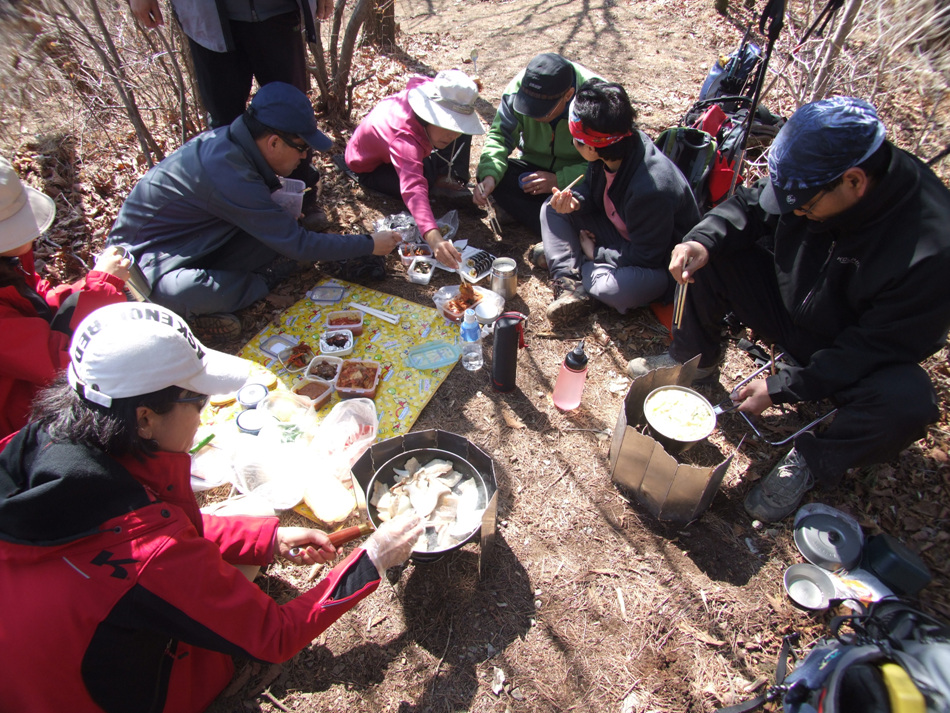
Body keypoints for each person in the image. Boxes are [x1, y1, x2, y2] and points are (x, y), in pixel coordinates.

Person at [0, 301, 423, 713]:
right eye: (197, 401)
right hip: (100, 693)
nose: (203, 417)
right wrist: (372, 559)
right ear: (144, 419)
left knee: (255, 516)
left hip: (42, 650)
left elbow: (150, 521)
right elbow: (275, 635)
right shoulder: (151, 558)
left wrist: (268, 538)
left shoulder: (43, 442)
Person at [626, 96, 950, 522]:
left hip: (850, 349)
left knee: (908, 403)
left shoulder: (931, 247)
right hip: (787, 307)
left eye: (804, 207)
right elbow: (748, 206)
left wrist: (783, 387)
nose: (796, 212)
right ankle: (695, 361)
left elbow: (875, 346)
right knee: (713, 251)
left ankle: (814, 461)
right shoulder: (811, 177)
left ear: (854, 181)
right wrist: (700, 239)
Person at [107, 82, 401, 338]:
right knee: (185, 293)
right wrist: (369, 244)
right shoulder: (227, 171)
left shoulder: (237, 143)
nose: (304, 157)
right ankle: (261, 281)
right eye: (302, 148)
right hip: (148, 269)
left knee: (279, 238)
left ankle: (246, 280)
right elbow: (297, 243)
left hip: (203, 238)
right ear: (273, 142)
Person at [129, 0, 334, 230]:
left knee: (292, 115)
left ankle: (300, 201)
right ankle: (242, 212)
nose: (306, 151)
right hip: (208, 20)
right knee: (224, 123)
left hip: (277, 10)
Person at [539, 79, 700, 325]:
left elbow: (648, 256)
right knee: (552, 208)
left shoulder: (652, 188)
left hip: (655, 264)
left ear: (591, 148)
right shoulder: (611, 149)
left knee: (613, 289)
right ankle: (569, 281)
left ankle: (572, 260)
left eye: (575, 137)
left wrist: (595, 253)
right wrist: (576, 203)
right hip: (618, 234)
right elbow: (594, 193)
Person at [0, 157, 129, 439]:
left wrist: (89, 284)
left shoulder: (8, 261)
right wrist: (104, 285)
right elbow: (61, 363)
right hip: (22, 428)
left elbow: (39, 303)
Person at [344, 69, 485, 269]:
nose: (453, 135)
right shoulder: (405, 139)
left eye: (456, 128)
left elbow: (447, 83)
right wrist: (434, 238)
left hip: (400, 149)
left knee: (434, 164)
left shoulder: (430, 91)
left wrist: (469, 87)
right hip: (370, 167)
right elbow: (413, 188)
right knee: (425, 181)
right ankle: (439, 177)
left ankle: (446, 176)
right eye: (446, 126)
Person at [473, 53, 602, 235]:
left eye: (543, 112)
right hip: (533, 172)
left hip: (578, 176)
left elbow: (606, 163)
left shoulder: (595, 99)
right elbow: (499, 137)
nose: (534, 116)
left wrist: (560, 180)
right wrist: (489, 177)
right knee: (492, 171)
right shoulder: (517, 90)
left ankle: (550, 223)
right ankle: (560, 225)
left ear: (569, 95)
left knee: (600, 191)